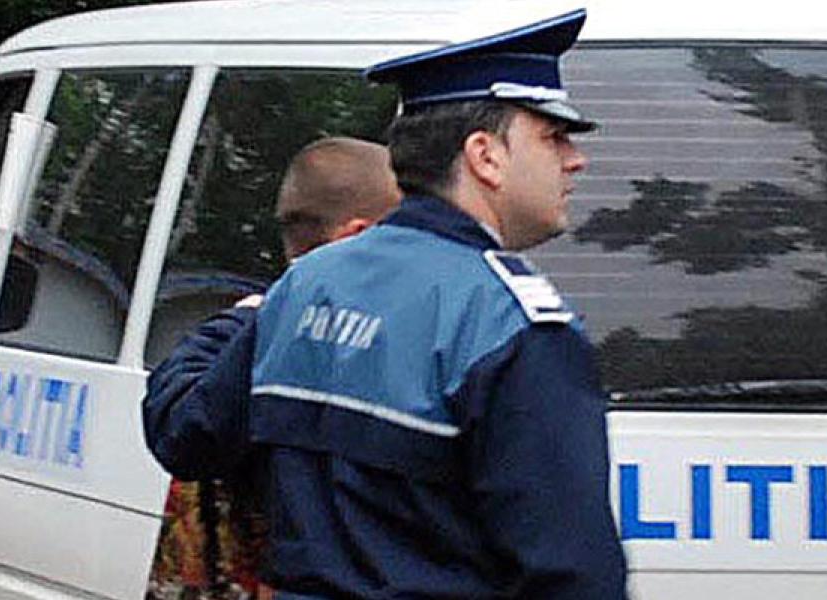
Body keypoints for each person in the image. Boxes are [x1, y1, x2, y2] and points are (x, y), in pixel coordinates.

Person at [148, 8, 628, 599]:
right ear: (485, 156)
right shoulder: (513, 325)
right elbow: (573, 577)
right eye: (553, 136)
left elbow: (187, 436)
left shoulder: (308, 282)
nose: (575, 158)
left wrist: (238, 319)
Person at [142, 137, 400, 599]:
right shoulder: (379, 354)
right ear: (354, 240)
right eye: (406, 236)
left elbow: (178, 424)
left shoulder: (229, 341)